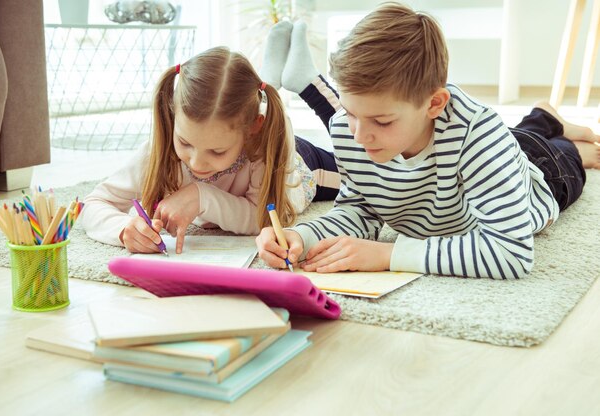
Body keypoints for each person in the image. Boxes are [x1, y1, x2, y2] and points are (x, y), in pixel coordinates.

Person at [256, 3, 600, 279]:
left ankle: (559, 129)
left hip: (544, 174)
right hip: (486, 150)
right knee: (519, 137)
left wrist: (390, 255)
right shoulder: (349, 128)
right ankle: (542, 118)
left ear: (434, 104)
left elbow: (511, 254)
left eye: (382, 120)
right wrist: (302, 235)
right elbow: (360, 209)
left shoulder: (480, 135)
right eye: (350, 113)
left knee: (565, 154)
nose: (359, 135)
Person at [81, 46, 340, 254]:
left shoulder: (263, 151)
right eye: (185, 143)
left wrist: (201, 196)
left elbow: (260, 220)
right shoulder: (159, 150)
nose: (196, 163)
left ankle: (308, 83)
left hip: (300, 164)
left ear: (253, 128)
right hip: (254, 127)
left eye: (216, 152)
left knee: (358, 160)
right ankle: (267, 78)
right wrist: (124, 228)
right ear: (173, 117)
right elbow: (94, 203)